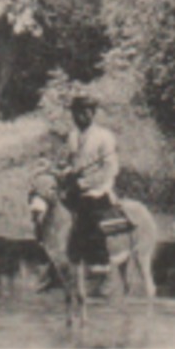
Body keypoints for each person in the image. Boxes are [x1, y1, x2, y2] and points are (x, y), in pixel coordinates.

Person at [59, 94, 129, 268]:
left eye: (83, 112)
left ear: (92, 113)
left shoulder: (104, 136)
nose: (78, 117)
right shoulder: (72, 136)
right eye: (75, 113)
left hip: (97, 190)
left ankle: (100, 260)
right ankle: (59, 260)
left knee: (87, 212)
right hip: (75, 188)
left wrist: (86, 183)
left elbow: (111, 168)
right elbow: (71, 163)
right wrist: (65, 173)